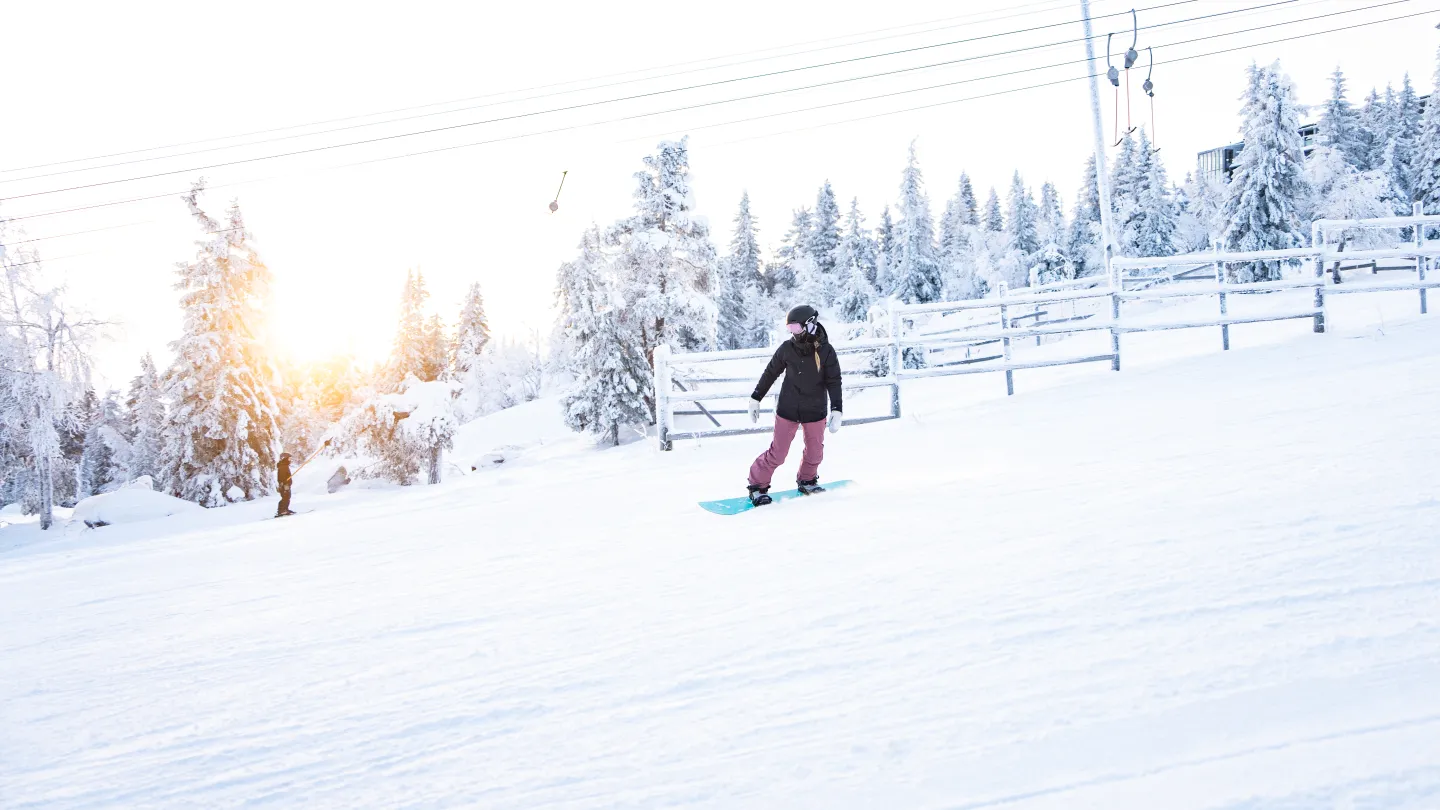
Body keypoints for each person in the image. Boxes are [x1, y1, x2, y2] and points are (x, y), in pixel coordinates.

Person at [745, 305, 843, 506]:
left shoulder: (825, 351)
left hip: (815, 409)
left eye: (796, 328)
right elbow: (770, 373)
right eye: (789, 329)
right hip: (788, 409)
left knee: (815, 452)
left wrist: (837, 409)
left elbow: (834, 380)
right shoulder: (787, 349)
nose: (793, 333)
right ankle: (757, 486)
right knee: (778, 453)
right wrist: (756, 397)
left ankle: (807, 480)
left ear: (809, 325)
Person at [276, 452, 295, 517]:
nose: (290, 460)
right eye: (289, 458)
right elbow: (281, 477)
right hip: (284, 485)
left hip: (286, 485)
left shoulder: (285, 466)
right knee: (285, 497)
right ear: (285, 459)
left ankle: (285, 509)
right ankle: (281, 511)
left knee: (287, 497)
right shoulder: (283, 466)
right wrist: (283, 484)